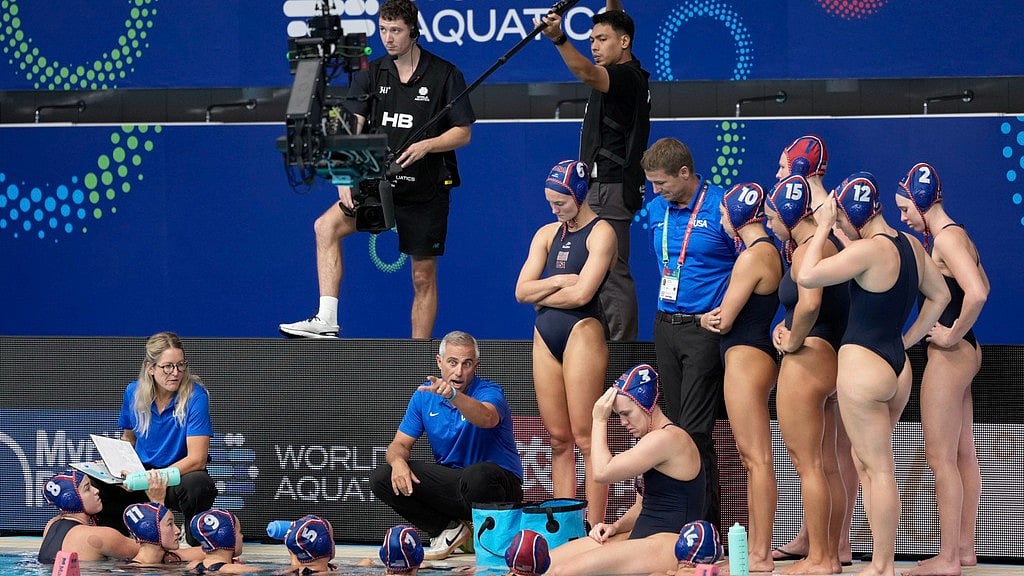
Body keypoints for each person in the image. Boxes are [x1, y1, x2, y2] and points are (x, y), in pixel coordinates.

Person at [279, 0, 475, 340]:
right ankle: (326, 320)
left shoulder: (446, 74)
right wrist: (344, 176)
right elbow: (351, 126)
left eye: (396, 30)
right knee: (325, 227)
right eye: (383, 29)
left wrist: (428, 144)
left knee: (422, 277)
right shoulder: (370, 73)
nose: (388, 37)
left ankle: (418, 355)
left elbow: (463, 132)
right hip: (377, 184)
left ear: (413, 31)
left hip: (425, 189)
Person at [796, 172, 949, 576]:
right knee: (869, 465)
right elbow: (941, 296)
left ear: (853, 217)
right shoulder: (911, 245)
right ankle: (882, 563)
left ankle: (882, 567)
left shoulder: (868, 253)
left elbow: (806, 275)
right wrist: (907, 339)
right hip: (897, 367)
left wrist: (824, 227)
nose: (841, 226)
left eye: (843, 220)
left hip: (864, 367)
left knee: (877, 469)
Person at [535, 0, 651, 341]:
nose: (595, 47)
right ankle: (597, 343)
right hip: (600, 187)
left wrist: (559, 39)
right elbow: (616, 17)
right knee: (592, 269)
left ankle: (620, 351)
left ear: (624, 41)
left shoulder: (626, 77)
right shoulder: (626, 71)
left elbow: (586, 72)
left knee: (611, 272)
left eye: (602, 39)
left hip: (611, 188)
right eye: (591, 41)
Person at [896, 163, 988, 576]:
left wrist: (949, 335)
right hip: (969, 352)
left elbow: (978, 291)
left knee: (940, 458)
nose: (903, 218)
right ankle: (964, 550)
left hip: (952, 356)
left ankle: (948, 558)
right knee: (963, 453)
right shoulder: (959, 234)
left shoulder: (946, 240)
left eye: (905, 209)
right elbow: (980, 281)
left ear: (920, 201)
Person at [772, 135, 858, 568]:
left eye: (773, 217)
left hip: (809, 361)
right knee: (827, 464)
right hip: (834, 359)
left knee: (808, 467)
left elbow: (809, 303)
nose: (771, 224)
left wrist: (794, 338)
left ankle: (821, 557)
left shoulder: (808, 249)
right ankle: (833, 551)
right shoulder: (830, 242)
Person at [515, 159, 617, 526]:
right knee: (558, 439)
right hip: (546, 335)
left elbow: (584, 294)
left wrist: (540, 295)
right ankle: (567, 524)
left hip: (583, 332)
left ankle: (595, 523)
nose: (555, 210)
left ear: (579, 195)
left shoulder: (601, 232)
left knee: (586, 438)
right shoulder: (546, 233)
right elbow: (520, 292)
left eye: (561, 203)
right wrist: (558, 283)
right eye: (550, 204)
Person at [641, 137, 736, 528]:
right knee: (672, 430)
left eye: (661, 183)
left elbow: (752, 264)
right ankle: (675, 524)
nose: (655, 191)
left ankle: (703, 530)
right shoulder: (656, 210)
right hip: (665, 325)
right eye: (651, 184)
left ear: (686, 173)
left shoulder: (724, 207)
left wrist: (726, 309)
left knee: (695, 432)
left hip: (703, 330)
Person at [370, 331, 524, 561]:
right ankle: (447, 529)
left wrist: (453, 395)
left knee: (479, 474)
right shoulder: (424, 396)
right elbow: (399, 444)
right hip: (454, 485)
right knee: (382, 476)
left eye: (467, 364)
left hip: (498, 486)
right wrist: (398, 462)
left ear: (476, 366)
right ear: (439, 362)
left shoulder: (490, 392)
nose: (459, 371)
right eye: (452, 362)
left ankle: (491, 536)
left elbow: (486, 418)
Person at [546, 364, 705, 576]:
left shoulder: (667, 439)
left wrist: (599, 419)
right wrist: (616, 527)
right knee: (544, 564)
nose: (622, 422)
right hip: (640, 538)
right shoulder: (651, 441)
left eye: (626, 413)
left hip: (669, 544)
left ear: (646, 405)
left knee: (564, 572)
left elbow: (602, 473)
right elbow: (642, 507)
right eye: (617, 416)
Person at [698, 182, 781, 573]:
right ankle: (759, 548)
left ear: (735, 216)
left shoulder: (753, 258)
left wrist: (701, 316)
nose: (720, 219)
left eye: (723, 213)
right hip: (755, 355)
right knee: (755, 460)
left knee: (756, 460)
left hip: (746, 358)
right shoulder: (770, 251)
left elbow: (723, 319)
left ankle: (761, 553)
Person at [94, 331, 218, 546]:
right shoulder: (133, 392)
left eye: (181, 365)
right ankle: (119, 542)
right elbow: (128, 439)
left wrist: (154, 478)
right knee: (99, 481)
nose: (176, 373)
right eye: (167, 366)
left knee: (199, 484)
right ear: (151, 368)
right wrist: (116, 466)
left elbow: (197, 459)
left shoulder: (196, 396)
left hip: (179, 475)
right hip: (142, 472)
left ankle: (194, 540)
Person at [38, 469, 164, 563]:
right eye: (87, 488)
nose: (96, 490)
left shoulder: (51, 525)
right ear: (72, 500)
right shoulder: (100, 536)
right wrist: (157, 501)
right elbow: (156, 553)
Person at [123, 500, 206, 565]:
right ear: (150, 531)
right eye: (170, 524)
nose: (178, 531)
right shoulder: (134, 572)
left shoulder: (171, 558)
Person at [188, 508, 260, 573]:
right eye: (239, 532)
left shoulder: (193, 565)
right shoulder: (238, 570)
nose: (242, 536)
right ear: (229, 537)